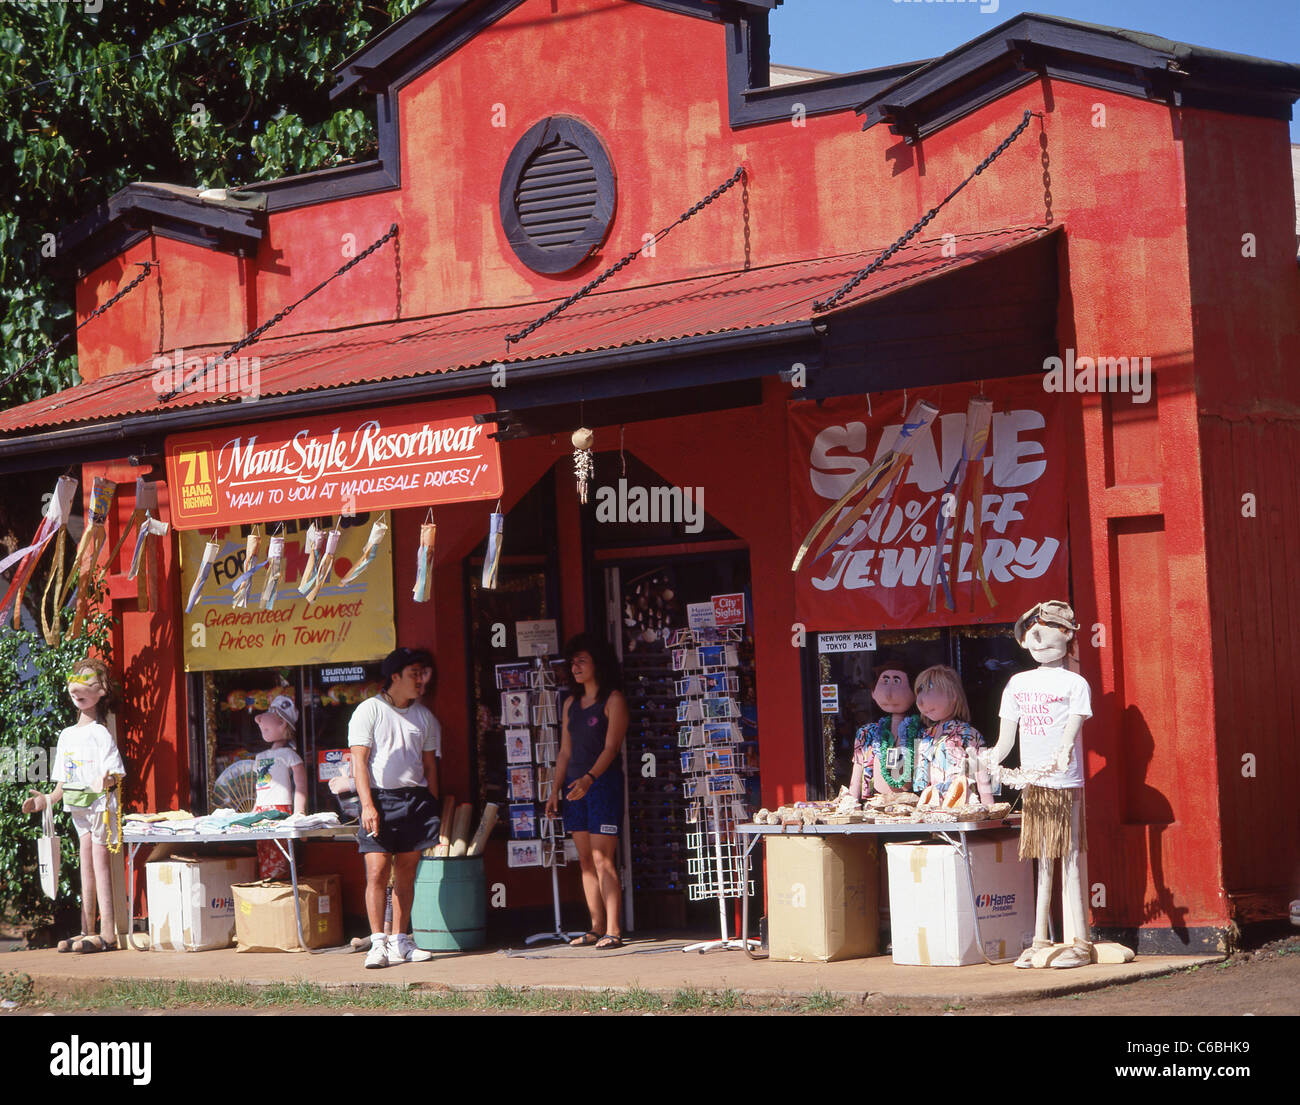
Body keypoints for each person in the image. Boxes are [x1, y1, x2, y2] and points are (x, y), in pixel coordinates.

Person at [21, 658, 125, 953]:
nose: (78, 695)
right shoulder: (67, 735)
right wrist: (44, 801)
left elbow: (115, 774)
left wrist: (105, 781)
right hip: (79, 809)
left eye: (86, 687)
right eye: (75, 689)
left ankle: (107, 933)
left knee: (100, 865)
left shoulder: (101, 733)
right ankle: (86, 930)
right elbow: (61, 784)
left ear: (101, 693)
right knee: (86, 867)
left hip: (100, 809)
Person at [349, 646, 442, 968]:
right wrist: (367, 805)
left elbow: (430, 767)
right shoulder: (369, 710)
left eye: (423, 674)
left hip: (415, 800)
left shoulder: (424, 717)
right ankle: (378, 943)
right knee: (376, 871)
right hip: (379, 799)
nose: (421, 680)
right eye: (415, 674)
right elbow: (358, 762)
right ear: (395, 676)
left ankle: (401, 941)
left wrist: (432, 807)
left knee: (406, 872)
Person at [546, 633, 628, 950]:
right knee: (584, 860)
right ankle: (595, 926)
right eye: (573, 661)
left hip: (601, 785)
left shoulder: (613, 700)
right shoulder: (570, 704)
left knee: (602, 857)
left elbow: (611, 748)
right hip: (573, 787)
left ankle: (614, 928)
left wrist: (590, 779)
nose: (576, 666)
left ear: (597, 663)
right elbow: (564, 752)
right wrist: (555, 789)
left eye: (582, 660)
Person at [912, 664, 995, 806]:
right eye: (920, 690)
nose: (920, 700)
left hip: (963, 802)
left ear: (953, 695)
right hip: (932, 805)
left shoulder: (968, 734)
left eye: (930, 688)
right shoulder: (925, 735)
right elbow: (921, 780)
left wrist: (989, 806)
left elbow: (982, 772)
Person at [849, 656, 924, 800]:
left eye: (897, 681)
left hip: (913, 802)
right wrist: (851, 800)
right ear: (873, 692)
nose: (889, 693)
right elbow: (857, 771)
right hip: (875, 803)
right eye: (885, 681)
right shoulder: (867, 733)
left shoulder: (922, 732)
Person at [252, 694, 307, 880]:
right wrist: (254, 810)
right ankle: (269, 888)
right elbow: (259, 786)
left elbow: (301, 785)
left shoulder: (289, 755)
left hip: (280, 810)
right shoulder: (260, 757)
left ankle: (278, 888)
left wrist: (299, 812)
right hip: (261, 811)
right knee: (264, 853)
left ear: (283, 725)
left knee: (280, 856)